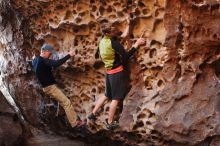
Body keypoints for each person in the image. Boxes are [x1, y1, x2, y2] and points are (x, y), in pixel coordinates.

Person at [88, 23, 145, 130]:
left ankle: (92, 113)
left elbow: (98, 55)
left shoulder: (101, 42)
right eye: (113, 31)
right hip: (117, 73)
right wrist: (136, 44)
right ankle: (110, 122)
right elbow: (126, 56)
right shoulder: (113, 43)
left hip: (108, 73)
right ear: (108, 33)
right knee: (116, 98)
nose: (115, 32)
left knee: (106, 95)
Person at [32, 44, 83, 128]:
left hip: (47, 88)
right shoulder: (43, 60)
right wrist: (69, 54)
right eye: (49, 53)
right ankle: (75, 123)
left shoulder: (35, 60)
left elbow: (35, 61)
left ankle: (60, 114)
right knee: (67, 103)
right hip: (50, 88)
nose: (50, 55)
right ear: (44, 51)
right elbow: (56, 63)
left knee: (61, 102)